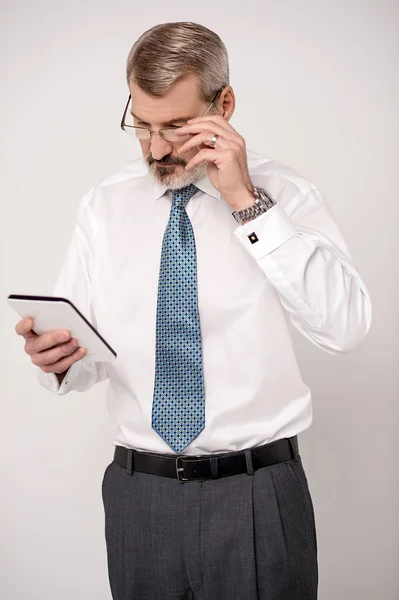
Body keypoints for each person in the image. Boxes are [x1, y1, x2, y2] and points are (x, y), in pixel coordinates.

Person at [15, 21, 372, 600]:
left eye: (176, 127)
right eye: (143, 127)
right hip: (140, 499)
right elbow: (88, 359)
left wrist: (244, 202)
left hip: (257, 496)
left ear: (223, 105)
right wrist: (58, 359)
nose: (156, 149)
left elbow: (346, 327)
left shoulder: (286, 195)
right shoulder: (106, 205)